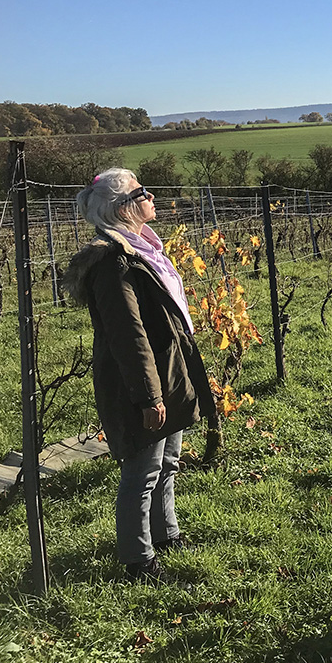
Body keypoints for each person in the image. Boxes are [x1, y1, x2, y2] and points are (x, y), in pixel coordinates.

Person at [63, 168, 213, 582]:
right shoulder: (114, 263)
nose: (151, 197)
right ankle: (138, 560)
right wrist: (149, 396)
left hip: (167, 367)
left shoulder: (142, 249)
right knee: (142, 471)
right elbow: (128, 335)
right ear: (122, 208)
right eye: (141, 192)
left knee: (168, 462)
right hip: (142, 378)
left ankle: (166, 534)